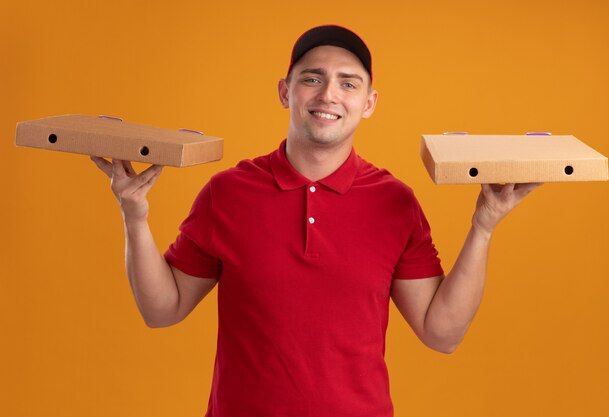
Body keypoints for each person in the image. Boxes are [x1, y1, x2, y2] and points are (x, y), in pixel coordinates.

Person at [91, 25, 541, 417]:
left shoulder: (395, 202)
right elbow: (161, 310)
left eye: (349, 84)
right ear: (286, 91)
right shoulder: (228, 192)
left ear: (369, 102)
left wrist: (483, 226)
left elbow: (441, 333)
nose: (328, 95)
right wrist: (135, 216)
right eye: (313, 79)